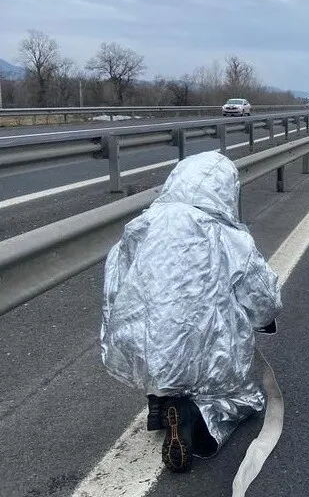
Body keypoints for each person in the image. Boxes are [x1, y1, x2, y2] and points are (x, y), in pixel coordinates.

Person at [100, 151, 282, 473]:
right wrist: (263, 320)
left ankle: (160, 398)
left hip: (140, 346)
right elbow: (261, 297)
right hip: (202, 356)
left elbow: (114, 286)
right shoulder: (229, 237)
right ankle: (194, 416)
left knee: (164, 349)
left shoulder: (140, 227)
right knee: (245, 397)